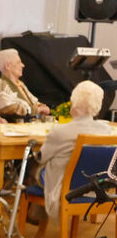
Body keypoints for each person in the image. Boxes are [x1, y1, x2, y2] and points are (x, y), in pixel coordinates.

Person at [39, 80, 110, 221]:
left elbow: (41, 158)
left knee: (33, 171)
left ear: (74, 102)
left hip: (66, 191)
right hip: (96, 189)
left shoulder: (59, 132)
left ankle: (33, 220)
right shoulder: (107, 131)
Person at [0, 49, 50, 122]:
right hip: (19, 126)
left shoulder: (20, 84)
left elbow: (34, 101)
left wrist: (41, 106)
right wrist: (38, 109)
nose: (23, 65)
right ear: (7, 66)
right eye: (18, 62)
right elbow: (13, 110)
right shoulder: (1, 87)